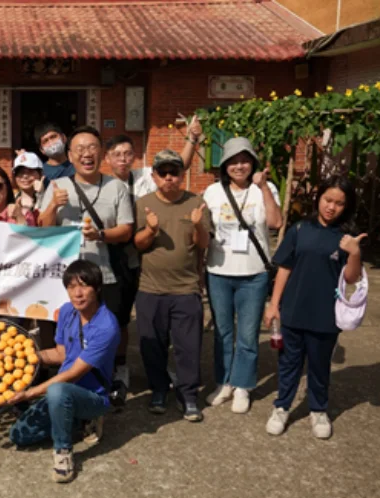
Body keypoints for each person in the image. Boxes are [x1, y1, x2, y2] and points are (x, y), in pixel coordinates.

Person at [264, 177, 365, 439]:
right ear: (318, 198)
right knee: (288, 363)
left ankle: (318, 409)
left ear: (347, 206)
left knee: (319, 365)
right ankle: (282, 407)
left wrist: (354, 253)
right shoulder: (300, 230)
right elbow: (284, 268)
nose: (332, 207)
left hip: (326, 315)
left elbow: (352, 278)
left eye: (339, 203)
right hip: (293, 310)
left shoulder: (346, 237)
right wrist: (274, 305)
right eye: (328, 200)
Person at [38, 126, 134, 389]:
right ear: (70, 156)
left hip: (105, 272)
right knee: (70, 329)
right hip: (67, 277)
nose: (86, 154)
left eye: (92, 147)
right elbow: (43, 229)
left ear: (102, 153)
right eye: (80, 149)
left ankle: (110, 376)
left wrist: (101, 234)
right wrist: (52, 206)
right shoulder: (57, 185)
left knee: (110, 326)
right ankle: (70, 378)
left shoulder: (117, 187)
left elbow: (126, 229)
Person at [8, 260, 119, 483]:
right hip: (62, 392)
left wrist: (30, 393)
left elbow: (72, 374)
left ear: (97, 288)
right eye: (71, 287)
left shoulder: (106, 326)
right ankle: (75, 422)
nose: (77, 293)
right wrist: (25, 356)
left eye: (84, 286)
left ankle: (63, 452)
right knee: (19, 435)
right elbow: (60, 355)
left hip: (93, 395)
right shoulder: (68, 311)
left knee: (58, 390)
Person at [203, 137, 282, 414]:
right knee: (223, 333)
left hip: (254, 273)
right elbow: (203, 229)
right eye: (233, 161)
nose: (239, 166)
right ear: (224, 166)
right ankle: (224, 382)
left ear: (253, 163)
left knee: (248, 334)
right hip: (218, 272)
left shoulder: (265, 188)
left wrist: (263, 188)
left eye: (245, 160)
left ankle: (243, 385)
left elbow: (275, 223)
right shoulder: (212, 192)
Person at [134, 150, 212, 422]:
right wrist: (151, 230)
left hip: (186, 288)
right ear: (154, 176)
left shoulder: (196, 203)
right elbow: (138, 244)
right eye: (163, 172)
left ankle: (188, 395)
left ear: (182, 175)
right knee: (152, 345)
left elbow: (202, 244)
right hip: (150, 288)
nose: (169, 178)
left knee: (188, 345)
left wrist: (197, 225)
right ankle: (158, 390)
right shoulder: (144, 203)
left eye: (174, 172)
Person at [104, 118, 202, 200]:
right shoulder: (102, 185)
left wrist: (192, 139)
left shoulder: (146, 176)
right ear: (107, 158)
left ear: (134, 156)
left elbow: (179, 166)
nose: (123, 159)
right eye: (117, 154)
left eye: (127, 154)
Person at [11, 152, 45, 216]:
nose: (25, 176)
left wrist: (41, 195)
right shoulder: (10, 200)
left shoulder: (50, 198)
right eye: (20, 172)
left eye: (30, 171)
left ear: (41, 174)